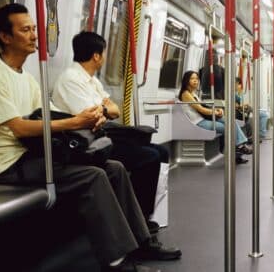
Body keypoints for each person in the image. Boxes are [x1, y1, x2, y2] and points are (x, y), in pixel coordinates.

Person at [0, 3, 177, 272]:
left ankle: (142, 241)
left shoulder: (28, 78)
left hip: (33, 154)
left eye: (35, 28)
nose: (35, 35)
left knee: (114, 168)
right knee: (93, 175)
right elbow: (20, 128)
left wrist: (88, 119)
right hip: (10, 163)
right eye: (26, 30)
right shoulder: (0, 75)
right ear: (5, 37)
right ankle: (118, 261)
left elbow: (45, 117)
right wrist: (76, 122)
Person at [51, 31, 179, 241]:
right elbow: (92, 117)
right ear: (96, 56)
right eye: (104, 53)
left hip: (101, 135)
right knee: (149, 156)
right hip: (84, 142)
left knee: (161, 151)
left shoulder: (91, 80)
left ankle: (141, 213)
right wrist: (103, 109)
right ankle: (137, 218)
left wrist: (102, 109)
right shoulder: (70, 79)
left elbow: (115, 110)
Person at [179, 71, 251, 164]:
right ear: (186, 80)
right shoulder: (186, 94)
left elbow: (204, 107)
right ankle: (238, 150)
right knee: (227, 128)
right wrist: (215, 112)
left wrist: (217, 110)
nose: (195, 81)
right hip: (198, 122)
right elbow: (200, 109)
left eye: (196, 79)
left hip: (204, 118)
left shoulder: (194, 93)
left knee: (230, 121)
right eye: (192, 79)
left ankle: (239, 148)